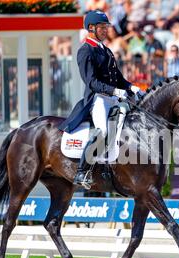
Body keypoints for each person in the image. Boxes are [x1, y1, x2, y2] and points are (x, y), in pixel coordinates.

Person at [60, 10, 143, 189]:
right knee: (103, 131)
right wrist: (116, 92)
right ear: (91, 28)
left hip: (113, 98)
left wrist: (131, 87)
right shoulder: (85, 51)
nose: (106, 30)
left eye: (106, 27)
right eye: (102, 27)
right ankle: (83, 172)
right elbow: (92, 82)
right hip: (98, 100)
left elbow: (118, 77)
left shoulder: (106, 50)